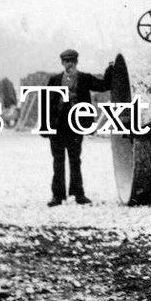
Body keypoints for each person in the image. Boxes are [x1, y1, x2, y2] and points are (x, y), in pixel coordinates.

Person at [45, 49, 111, 206]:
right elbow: (47, 103)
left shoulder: (85, 78)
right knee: (58, 161)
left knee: (75, 160)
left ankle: (78, 194)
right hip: (58, 126)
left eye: (72, 61)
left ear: (76, 62)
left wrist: (110, 70)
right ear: (62, 63)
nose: (70, 64)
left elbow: (103, 86)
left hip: (76, 125)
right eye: (67, 61)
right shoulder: (54, 80)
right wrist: (46, 126)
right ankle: (57, 196)